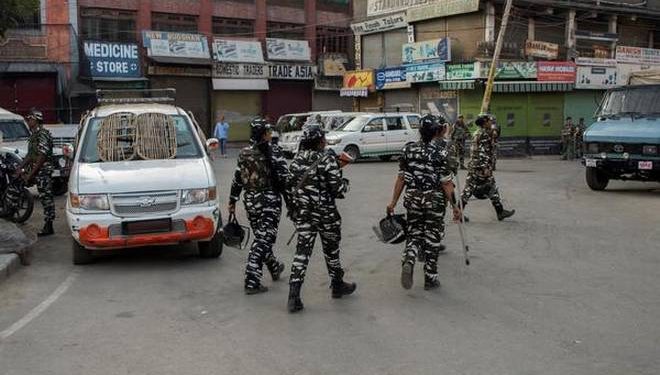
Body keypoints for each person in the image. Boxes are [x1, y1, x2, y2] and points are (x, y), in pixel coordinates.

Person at [386, 114, 461, 290]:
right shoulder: (441, 153)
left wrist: (393, 202)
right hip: (433, 201)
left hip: (412, 199)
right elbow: (447, 183)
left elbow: (401, 178)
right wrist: (455, 207)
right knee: (432, 237)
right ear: (436, 131)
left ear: (420, 131)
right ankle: (430, 278)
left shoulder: (408, 150)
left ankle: (409, 259)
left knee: (414, 233)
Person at [287, 124, 356, 313]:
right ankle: (337, 285)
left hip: (304, 215)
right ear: (319, 141)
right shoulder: (327, 159)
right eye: (323, 138)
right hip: (326, 215)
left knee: (302, 254)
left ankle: (294, 296)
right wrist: (343, 179)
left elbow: (289, 187)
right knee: (332, 252)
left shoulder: (296, 161)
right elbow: (338, 190)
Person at [228, 118, 288, 295]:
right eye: (268, 132)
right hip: (269, 201)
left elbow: (238, 178)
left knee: (262, 236)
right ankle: (252, 280)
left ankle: (274, 267)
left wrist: (232, 200)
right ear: (264, 134)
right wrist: (294, 202)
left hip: (251, 202)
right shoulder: (274, 151)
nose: (271, 134)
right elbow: (285, 179)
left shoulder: (244, 153)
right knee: (263, 239)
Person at [460, 114, 515, 221]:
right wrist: (485, 167)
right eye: (490, 121)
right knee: (478, 188)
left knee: (471, 188)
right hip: (481, 167)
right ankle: (500, 212)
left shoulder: (478, 132)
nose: (491, 122)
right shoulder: (484, 134)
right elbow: (481, 152)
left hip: (475, 166)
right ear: (485, 122)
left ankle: (500, 212)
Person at [15, 109, 55, 236]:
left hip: (43, 171)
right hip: (37, 170)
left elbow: (41, 156)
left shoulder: (42, 134)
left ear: (36, 120)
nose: (28, 121)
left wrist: (31, 173)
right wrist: (20, 167)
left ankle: (49, 226)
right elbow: (30, 155)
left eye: (30, 119)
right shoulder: (34, 135)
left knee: (46, 198)